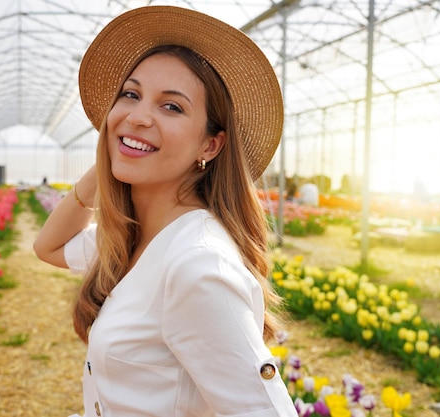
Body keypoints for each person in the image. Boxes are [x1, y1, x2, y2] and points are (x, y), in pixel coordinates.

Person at [34, 6, 297, 417]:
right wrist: (113, 152)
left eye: (171, 107)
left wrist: (126, 146)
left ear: (210, 145)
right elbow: (49, 247)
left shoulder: (197, 267)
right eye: (131, 95)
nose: (139, 116)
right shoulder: (136, 236)